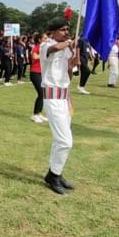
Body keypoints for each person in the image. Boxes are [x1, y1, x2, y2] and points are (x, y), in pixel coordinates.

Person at [40, 17, 77, 195]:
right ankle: (54, 175)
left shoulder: (67, 48)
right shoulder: (46, 45)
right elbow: (54, 49)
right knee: (65, 141)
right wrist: (69, 42)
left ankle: (55, 173)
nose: (66, 32)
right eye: (62, 30)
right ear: (52, 32)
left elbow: (69, 74)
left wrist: (72, 64)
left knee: (59, 140)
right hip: (52, 96)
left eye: (67, 29)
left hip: (64, 96)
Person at [29, 33, 48, 123]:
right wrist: (43, 55)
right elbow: (34, 56)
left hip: (42, 73)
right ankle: (35, 115)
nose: (46, 39)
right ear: (40, 40)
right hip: (35, 73)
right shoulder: (37, 47)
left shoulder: (45, 48)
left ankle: (39, 113)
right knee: (41, 93)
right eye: (45, 38)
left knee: (44, 94)